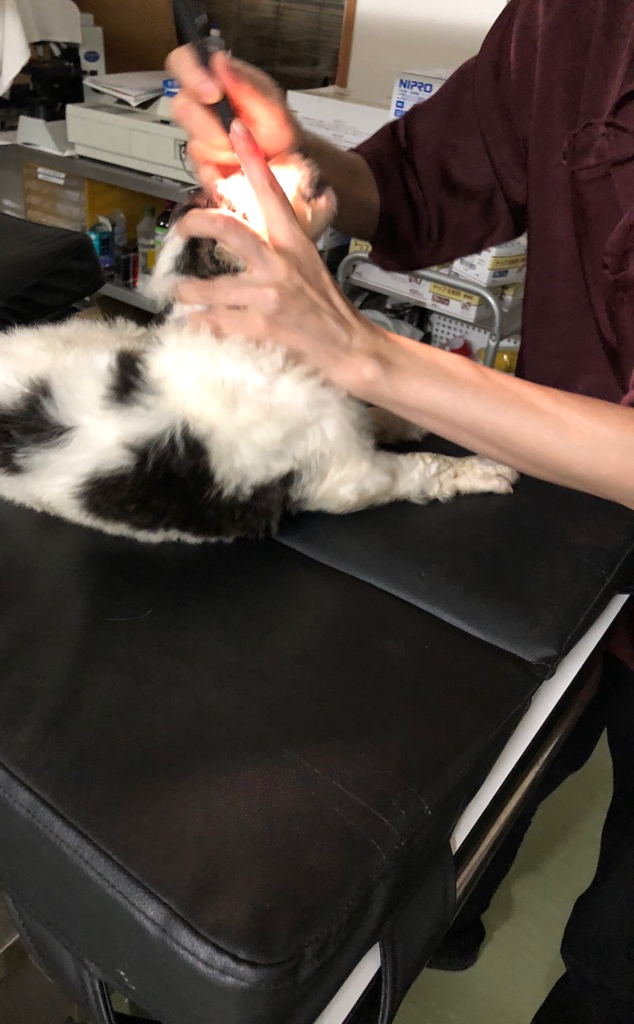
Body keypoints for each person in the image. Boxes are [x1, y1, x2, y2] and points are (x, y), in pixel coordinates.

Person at [165, 0, 634, 1021]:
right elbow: (427, 177)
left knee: (618, 961)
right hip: (568, 540)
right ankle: (444, 919)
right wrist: (295, 162)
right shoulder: (571, 21)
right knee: (478, 784)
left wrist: (366, 357)